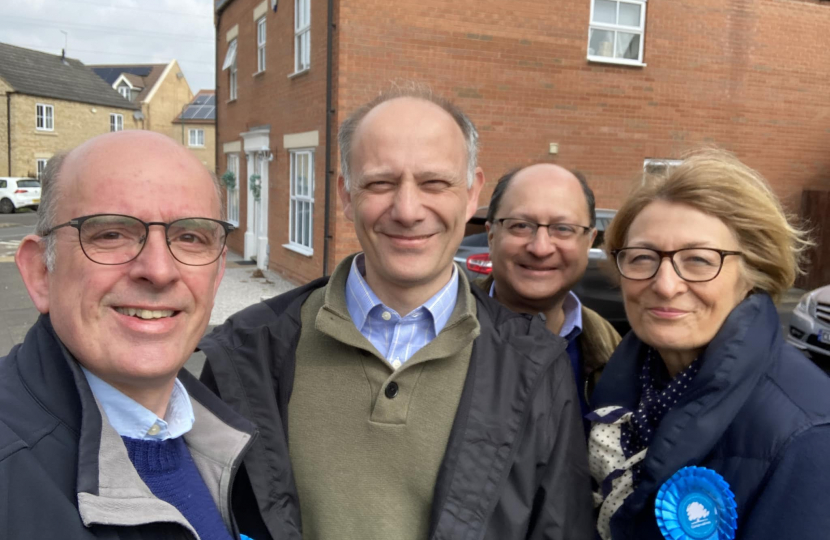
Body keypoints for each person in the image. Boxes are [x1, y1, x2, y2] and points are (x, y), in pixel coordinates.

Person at [199, 88, 594, 540]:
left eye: (434, 183)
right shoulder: (246, 351)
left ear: (471, 195)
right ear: (346, 194)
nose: (407, 211)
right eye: (381, 183)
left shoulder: (536, 365)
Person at [0, 131, 261, 539]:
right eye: (110, 234)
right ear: (39, 272)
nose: (158, 270)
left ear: (217, 274)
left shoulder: (238, 436)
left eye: (190, 237)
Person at [588, 150, 830, 540]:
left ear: (753, 273)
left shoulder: (808, 435)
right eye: (643, 257)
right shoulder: (619, 386)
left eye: (699, 260)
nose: (665, 285)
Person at [481, 164, 621, 424]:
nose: (540, 248)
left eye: (563, 228)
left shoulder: (613, 352)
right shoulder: (439, 332)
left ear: (589, 241)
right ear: (491, 235)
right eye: (521, 225)